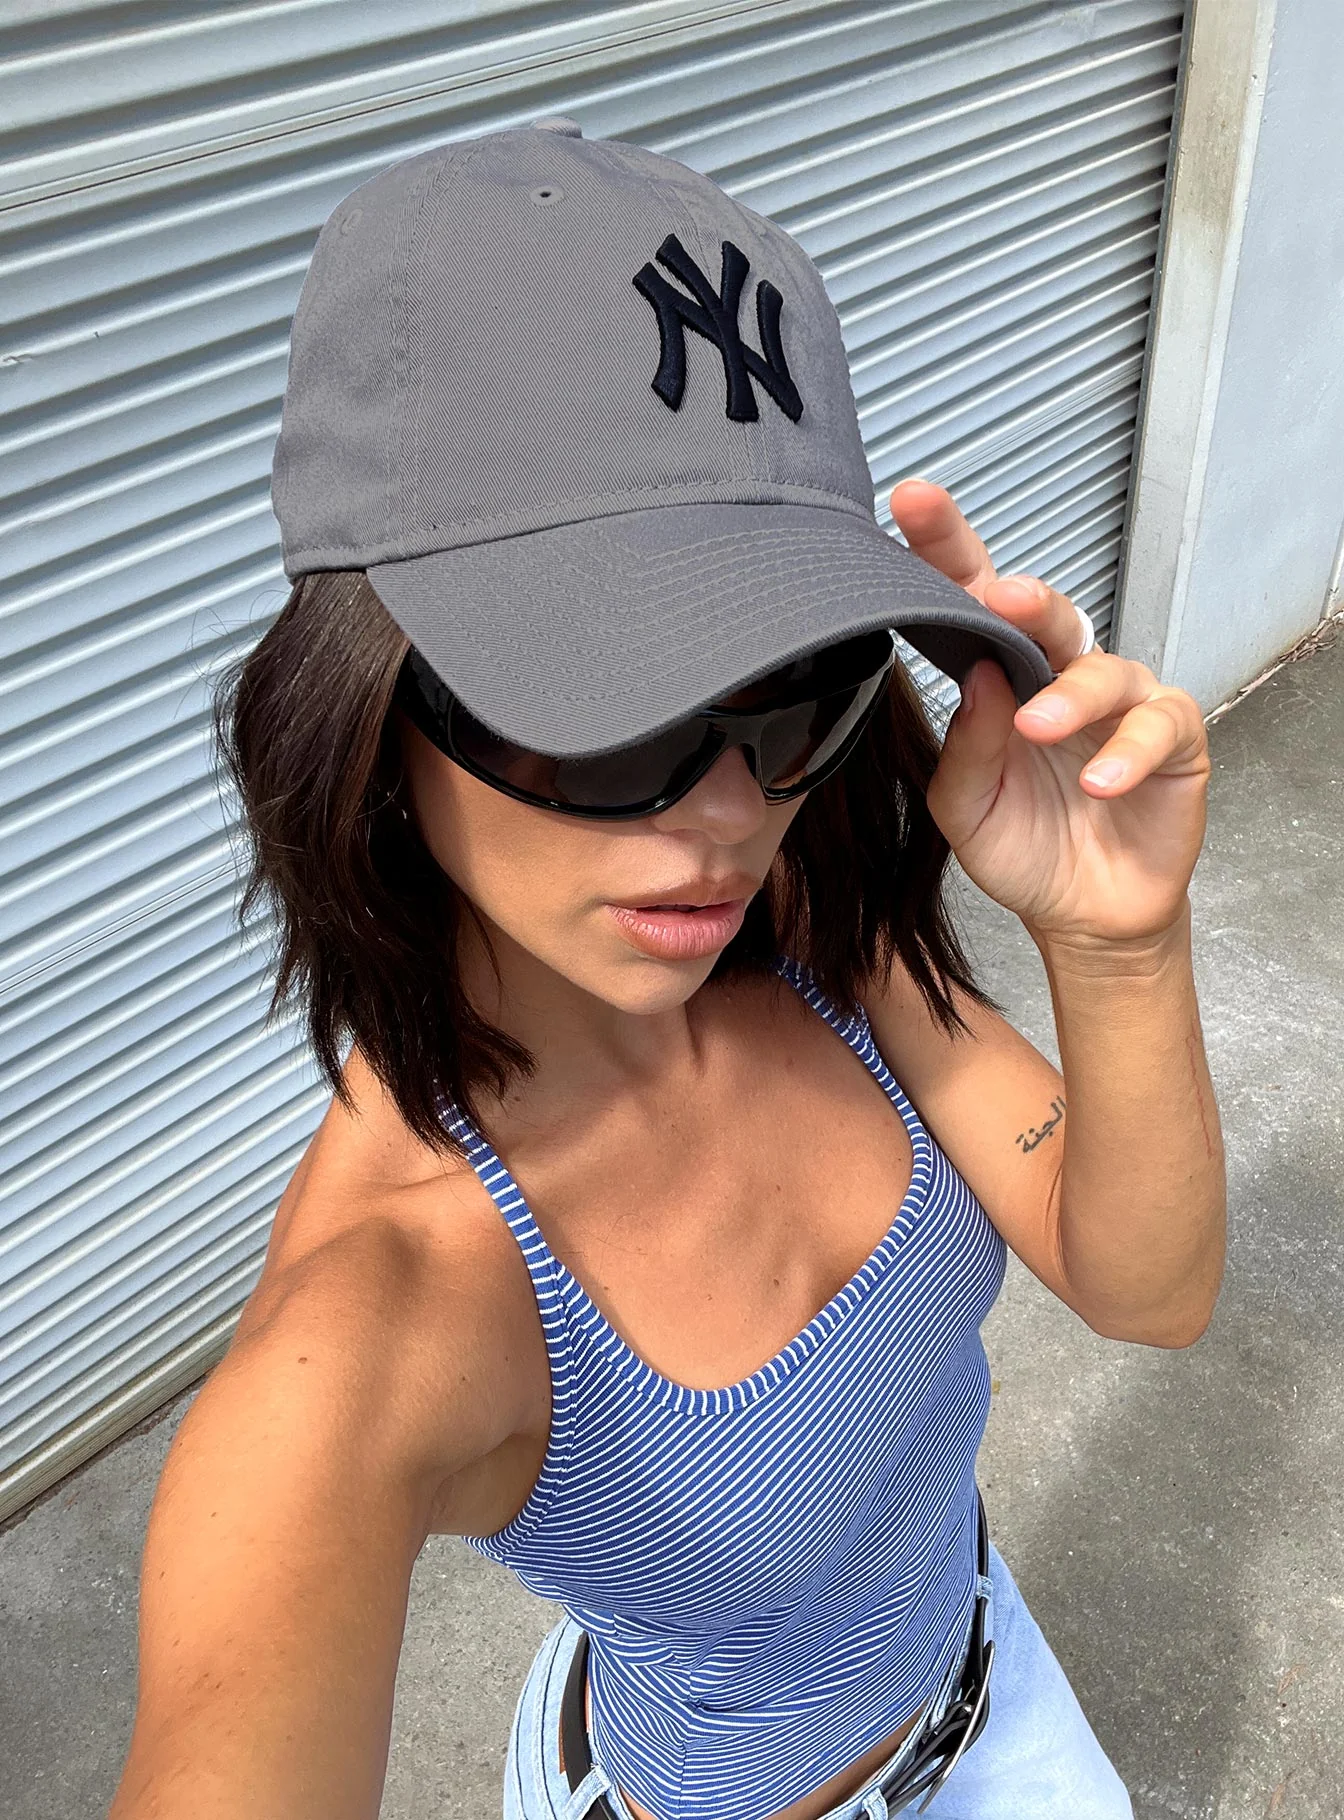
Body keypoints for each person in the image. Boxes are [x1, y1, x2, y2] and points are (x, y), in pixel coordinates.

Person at [109, 120, 1224, 1820]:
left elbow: (1146, 1287)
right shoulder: (383, 1316)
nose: (727, 815)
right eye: (607, 705)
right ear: (368, 698)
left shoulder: (814, 937)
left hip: (990, 1677)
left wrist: (1117, 942)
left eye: (788, 691)